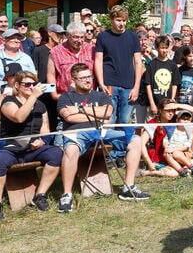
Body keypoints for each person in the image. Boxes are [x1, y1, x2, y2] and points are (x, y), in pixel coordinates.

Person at [57, 63, 150, 212]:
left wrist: (80, 110)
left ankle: (128, 187)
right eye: (83, 78)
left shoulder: (100, 95)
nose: (88, 80)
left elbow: (107, 113)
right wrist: (95, 115)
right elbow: (68, 117)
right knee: (70, 150)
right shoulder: (66, 97)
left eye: (89, 76)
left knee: (135, 140)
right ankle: (67, 195)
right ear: (74, 80)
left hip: (102, 131)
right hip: (77, 134)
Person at [0, 70, 62, 219]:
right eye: (27, 84)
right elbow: (19, 117)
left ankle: (40, 195)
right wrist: (33, 96)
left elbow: (45, 130)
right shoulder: (8, 102)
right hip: (12, 149)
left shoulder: (40, 105)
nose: (31, 87)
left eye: (34, 84)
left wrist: (42, 141)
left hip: (33, 149)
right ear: (17, 85)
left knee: (56, 153)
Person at [94, 5, 142, 128]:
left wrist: (136, 86)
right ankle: (111, 146)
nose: (121, 23)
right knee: (109, 120)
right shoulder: (103, 36)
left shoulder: (133, 37)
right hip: (109, 84)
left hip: (128, 85)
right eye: (118, 20)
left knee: (125, 121)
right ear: (112, 19)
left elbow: (138, 62)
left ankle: (122, 147)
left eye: (124, 20)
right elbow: (98, 60)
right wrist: (101, 83)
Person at [0, 28, 36, 115]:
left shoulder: (26, 58)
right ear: (4, 41)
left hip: (23, 100)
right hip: (0, 100)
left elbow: (34, 78)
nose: (17, 40)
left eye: (18, 38)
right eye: (13, 38)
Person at [47, 22, 96, 105]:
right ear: (68, 36)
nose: (79, 41)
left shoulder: (91, 49)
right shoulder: (56, 51)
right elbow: (50, 75)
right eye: (76, 37)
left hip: (89, 97)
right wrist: (54, 94)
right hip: (66, 97)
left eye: (82, 37)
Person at [32, 23, 65, 131]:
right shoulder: (38, 50)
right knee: (46, 117)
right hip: (44, 90)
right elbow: (34, 71)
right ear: (50, 34)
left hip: (59, 89)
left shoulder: (62, 51)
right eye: (58, 34)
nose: (61, 37)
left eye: (62, 34)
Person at [144, 35, 180, 117]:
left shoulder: (172, 65)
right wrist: (152, 104)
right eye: (162, 48)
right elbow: (148, 85)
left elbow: (175, 84)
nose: (164, 50)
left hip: (167, 105)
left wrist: (172, 100)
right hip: (154, 104)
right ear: (156, 48)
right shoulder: (151, 65)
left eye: (166, 47)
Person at [164, 109, 193, 177]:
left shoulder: (189, 133)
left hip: (183, 153)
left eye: (188, 120)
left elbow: (186, 147)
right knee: (166, 154)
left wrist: (173, 150)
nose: (186, 121)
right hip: (171, 151)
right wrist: (166, 147)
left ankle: (192, 167)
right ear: (177, 120)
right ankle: (181, 171)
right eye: (183, 119)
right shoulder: (172, 130)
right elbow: (165, 140)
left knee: (176, 153)